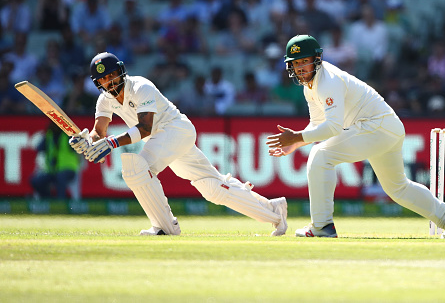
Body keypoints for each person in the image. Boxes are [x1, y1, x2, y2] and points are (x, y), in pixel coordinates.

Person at [265, 34, 445, 238]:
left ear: (316, 60)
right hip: (386, 128)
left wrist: (297, 137)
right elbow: (318, 123)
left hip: (375, 127)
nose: (300, 68)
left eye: (305, 62)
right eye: (296, 63)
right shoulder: (310, 87)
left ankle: (322, 226)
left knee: (320, 156)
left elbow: (334, 128)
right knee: (398, 188)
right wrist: (295, 143)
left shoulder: (328, 80)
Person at [69, 52, 287, 236]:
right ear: (98, 83)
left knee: (137, 168)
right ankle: (274, 211)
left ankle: (164, 227)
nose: (110, 82)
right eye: (104, 80)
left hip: (175, 129)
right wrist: (88, 142)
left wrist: (110, 143)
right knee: (212, 188)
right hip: (165, 140)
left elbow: (145, 127)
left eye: (113, 76)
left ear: (121, 71)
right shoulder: (104, 100)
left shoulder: (140, 87)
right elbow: (99, 131)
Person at [30, 123, 82, 199]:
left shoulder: (68, 135)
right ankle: (48, 199)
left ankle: (61, 203)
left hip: (69, 169)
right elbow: (39, 148)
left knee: (60, 177)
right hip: (53, 171)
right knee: (36, 181)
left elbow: (79, 151)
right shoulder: (49, 135)